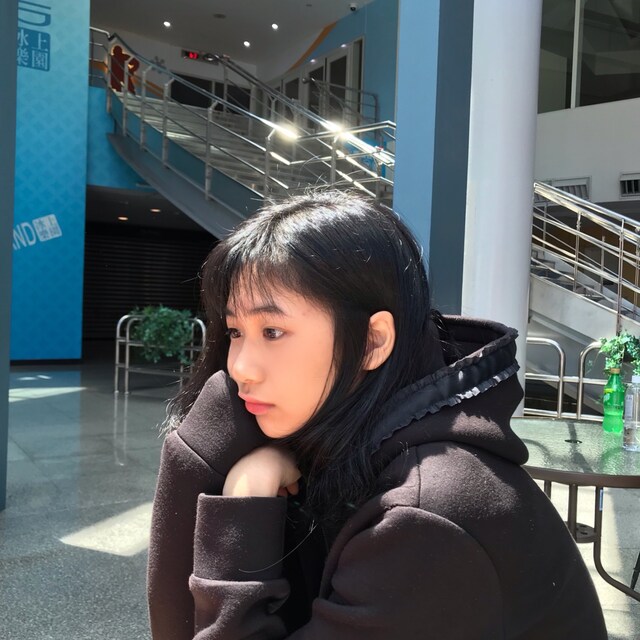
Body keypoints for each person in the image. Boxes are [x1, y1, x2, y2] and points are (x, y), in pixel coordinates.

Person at [147, 191, 607, 639]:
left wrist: (242, 495)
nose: (240, 367)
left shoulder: (425, 519)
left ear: (372, 342)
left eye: (272, 330)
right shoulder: (329, 443)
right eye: (234, 331)